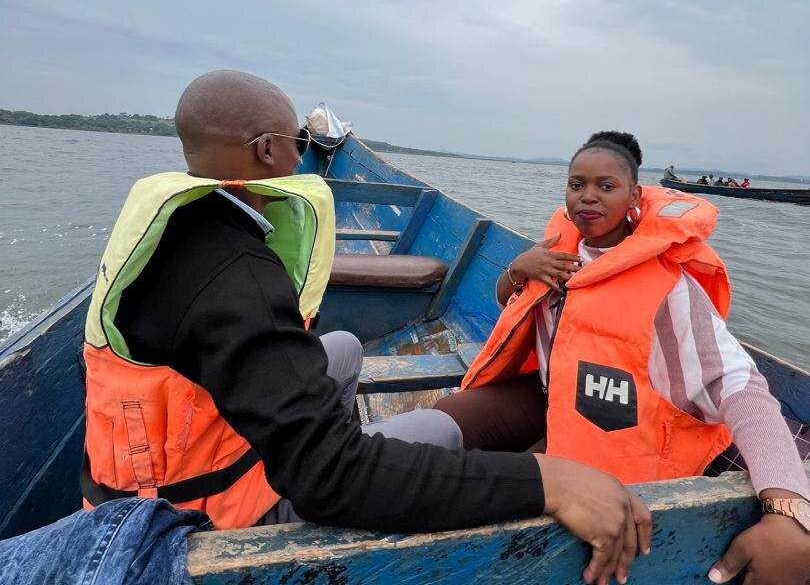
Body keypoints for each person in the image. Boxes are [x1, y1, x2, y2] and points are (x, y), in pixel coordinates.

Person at [81, 71, 650, 585]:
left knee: (344, 348)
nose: (303, 152)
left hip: (151, 467)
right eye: (298, 141)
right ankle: (341, 493)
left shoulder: (175, 219)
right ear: (268, 149)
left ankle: (328, 433)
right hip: (196, 519)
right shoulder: (237, 274)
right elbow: (329, 475)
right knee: (442, 430)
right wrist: (548, 481)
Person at [434, 131, 810, 585]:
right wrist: (517, 269)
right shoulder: (556, 252)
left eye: (606, 186)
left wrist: (786, 507)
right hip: (552, 401)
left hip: (615, 436)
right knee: (442, 424)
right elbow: (508, 305)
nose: (588, 196)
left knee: (497, 498)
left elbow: (741, 386)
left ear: (634, 196)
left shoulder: (668, 288)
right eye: (577, 184)